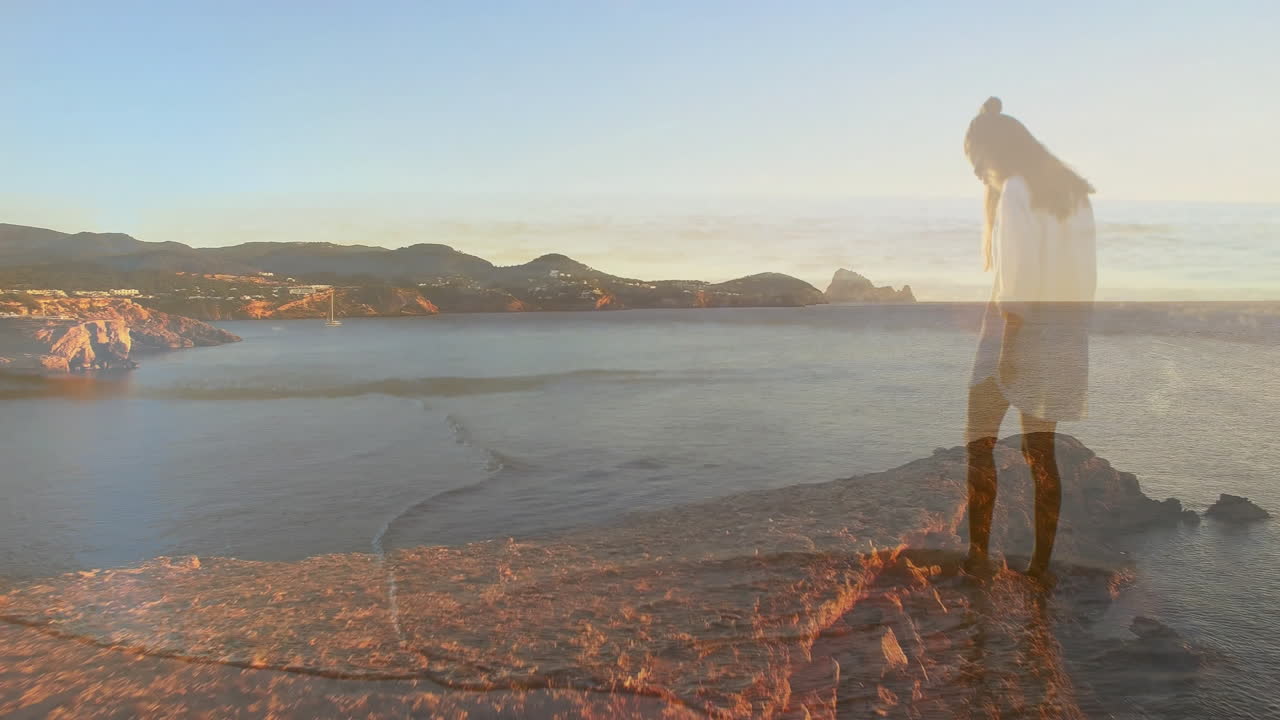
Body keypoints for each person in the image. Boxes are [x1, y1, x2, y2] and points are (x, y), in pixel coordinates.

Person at [962, 97, 1097, 581]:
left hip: (1015, 336)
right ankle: (1040, 566)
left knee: (979, 444)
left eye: (976, 156)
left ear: (996, 150)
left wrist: (1007, 351)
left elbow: (1016, 283)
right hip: (1064, 337)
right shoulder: (1072, 196)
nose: (976, 170)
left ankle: (978, 559)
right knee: (1042, 452)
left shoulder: (1016, 191)